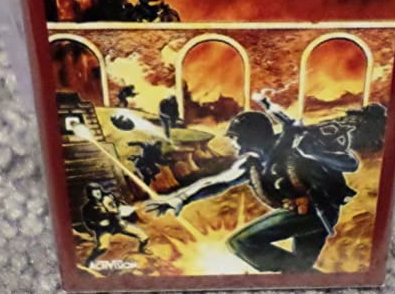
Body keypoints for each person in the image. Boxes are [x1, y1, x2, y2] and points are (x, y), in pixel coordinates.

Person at [146, 96, 359, 273]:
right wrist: (182, 198)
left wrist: (315, 153)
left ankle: (313, 277)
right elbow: (217, 182)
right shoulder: (252, 164)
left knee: (240, 242)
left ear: (251, 136)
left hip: (319, 212)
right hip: (301, 214)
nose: (233, 142)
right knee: (299, 269)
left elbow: (350, 163)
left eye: (236, 137)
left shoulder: (297, 147)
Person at [82, 183, 149, 267]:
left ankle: (142, 249)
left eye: (98, 190)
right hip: (105, 229)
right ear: (90, 193)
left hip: (118, 224)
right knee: (102, 247)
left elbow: (118, 205)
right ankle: (89, 261)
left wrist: (124, 210)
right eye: (94, 191)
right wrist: (99, 226)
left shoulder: (109, 197)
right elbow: (88, 223)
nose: (97, 192)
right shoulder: (87, 208)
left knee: (144, 237)